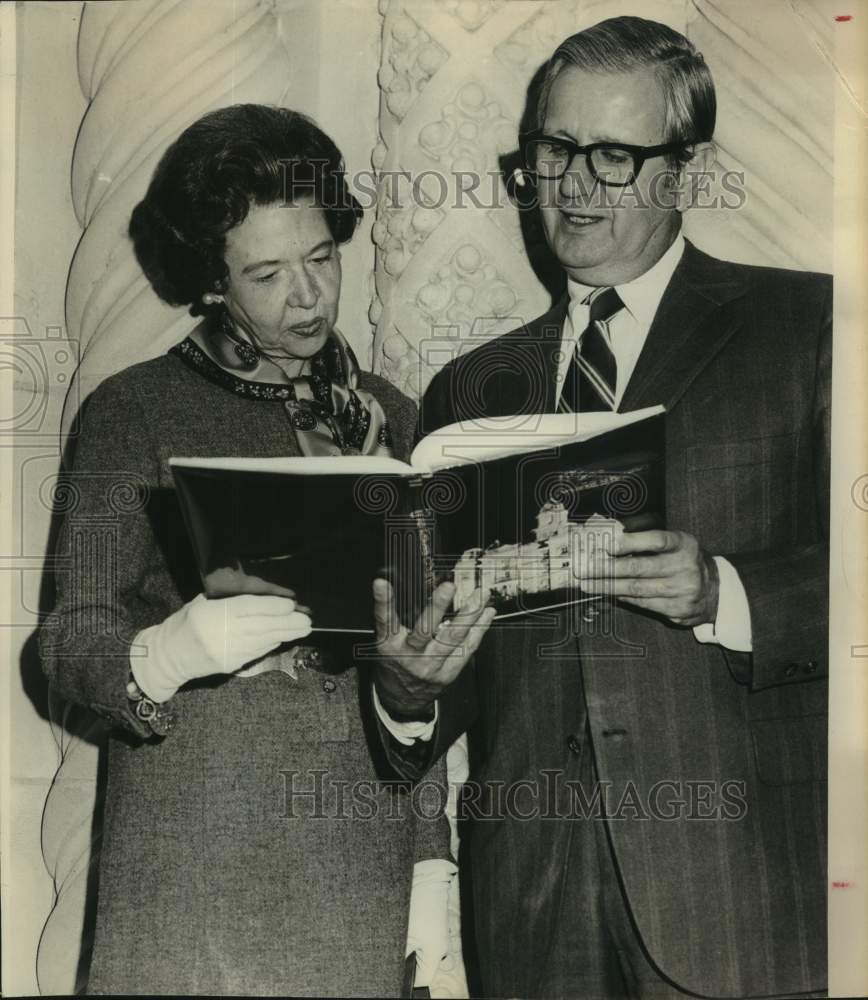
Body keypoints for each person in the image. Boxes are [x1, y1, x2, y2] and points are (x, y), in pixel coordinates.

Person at [372, 16, 829, 1000]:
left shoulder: (811, 330)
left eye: (613, 156)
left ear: (687, 170)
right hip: (530, 911)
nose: (572, 183)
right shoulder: (466, 389)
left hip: (739, 895)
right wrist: (408, 687)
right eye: (554, 148)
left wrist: (725, 591)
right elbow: (448, 661)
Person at [39, 104, 491, 997]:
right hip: (193, 857)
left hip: (360, 858)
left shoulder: (394, 419)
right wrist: (164, 655)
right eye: (268, 273)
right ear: (211, 282)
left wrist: (434, 871)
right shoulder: (131, 413)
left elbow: (425, 660)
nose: (309, 297)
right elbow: (65, 638)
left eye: (321, 258)